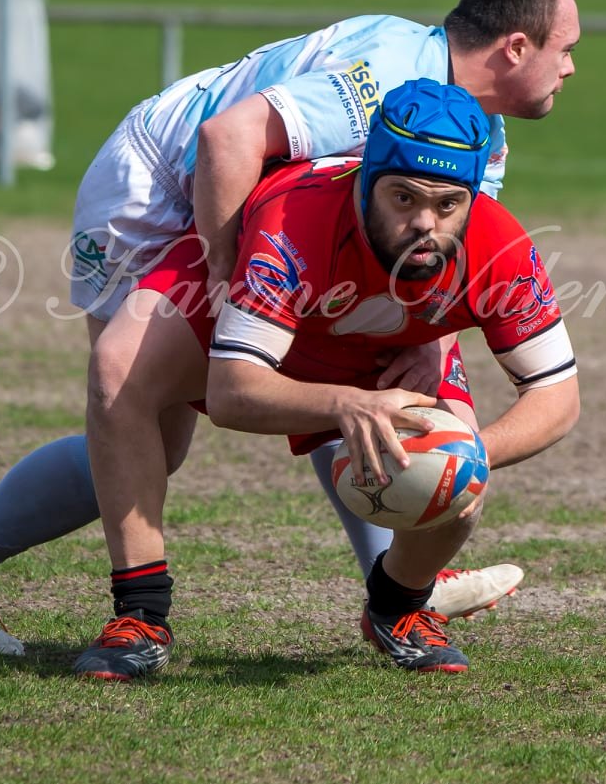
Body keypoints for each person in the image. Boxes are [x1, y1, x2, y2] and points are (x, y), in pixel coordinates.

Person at [0, 0, 581, 656]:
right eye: (566, 49)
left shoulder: (478, 132)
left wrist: (427, 352)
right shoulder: (391, 73)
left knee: (366, 376)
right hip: (160, 185)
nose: (571, 68)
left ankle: (396, 589)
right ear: (516, 47)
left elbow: (438, 262)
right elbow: (228, 139)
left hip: (258, 206)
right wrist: (229, 292)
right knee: (142, 409)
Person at [69, 78, 579, 678]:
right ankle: (141, 616)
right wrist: (346, 404)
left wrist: (466, 455)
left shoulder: (500, 245)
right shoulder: (296, 224)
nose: (425, 223)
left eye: (446, 204)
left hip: (388, 340)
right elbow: (232, 392)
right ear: (365, 180)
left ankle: (398, 605)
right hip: (258, 303)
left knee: (460, 489)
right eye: (403, 198)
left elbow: (558, 398)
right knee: (117, 374)